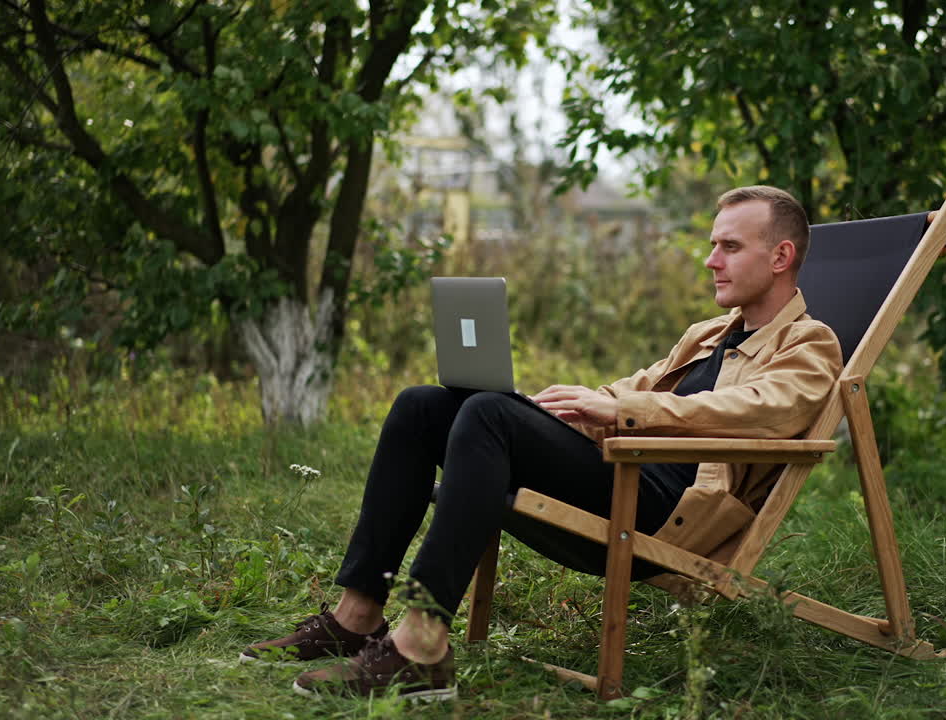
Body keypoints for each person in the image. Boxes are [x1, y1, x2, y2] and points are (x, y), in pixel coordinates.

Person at [239, 185, 843, 701]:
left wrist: (619, 410)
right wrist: (558, 410)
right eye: (713, 244)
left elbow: (764, 411)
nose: (711, 260)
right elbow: (630, 391)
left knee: (489, 415)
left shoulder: (810, 344)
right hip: (620, 477)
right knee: (423, 406)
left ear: (780, 255)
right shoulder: (708, 334)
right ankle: (358, 615)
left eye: (729, 246)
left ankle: (422, 643)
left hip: (662, 513)